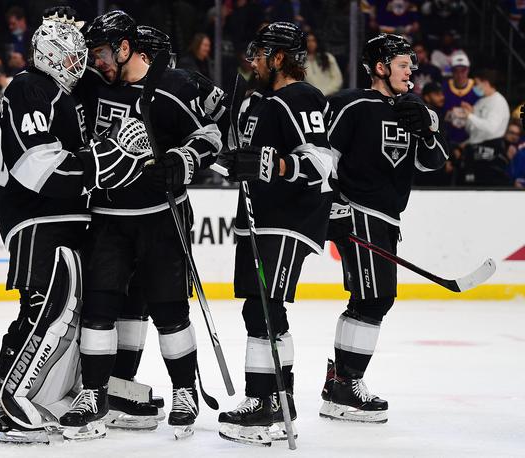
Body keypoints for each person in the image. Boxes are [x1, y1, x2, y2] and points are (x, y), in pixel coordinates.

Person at [0, 14, 152, 444]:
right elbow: (36, 167)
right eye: (74, 54)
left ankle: (48, 395)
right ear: (51, 56)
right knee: (46, 308)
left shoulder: (64, 94)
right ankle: (7, 408)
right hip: (39, 219)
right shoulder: (30, 87)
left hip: (68, 218)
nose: (81, 62)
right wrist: (106, 158)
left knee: (63, 312)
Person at [61, 10, 222, 440]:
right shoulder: (92, 86)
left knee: (170, 309)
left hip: (161, 218)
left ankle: (185, 390)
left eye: (101, 52)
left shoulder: (172, 88)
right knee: (98, 309)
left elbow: (211, 134)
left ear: (126, 47)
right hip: (108, 220)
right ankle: (95, 393)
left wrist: (184, 159)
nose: (96, 62)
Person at [319, 33, 448, 424]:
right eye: (403, 64)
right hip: (358, 212)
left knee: (369, 299)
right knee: (374, 299)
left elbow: (433, 164)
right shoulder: (350, 104)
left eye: (412, 64)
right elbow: (322, 156)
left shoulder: (414, 109)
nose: (411, 72)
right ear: (380, 67)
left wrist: (425, 127)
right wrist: (333, 203)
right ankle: (345, 386)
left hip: (388, 218)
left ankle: (340, 384)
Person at [215, 22, 333, 446]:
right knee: (258, 310)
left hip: (285, 219)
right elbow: (246, 157)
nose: (254, 61)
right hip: (258, 218)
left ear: (279, 57)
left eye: (261, 53)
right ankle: (269, 398)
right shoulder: (258, 101)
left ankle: (272, 405)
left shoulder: (300, 97)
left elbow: (320, 162)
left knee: (267, 308)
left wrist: (277, 166)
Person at [458, 68, 510, 186]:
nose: (475, 87)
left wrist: (471, 115)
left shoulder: (498, 102)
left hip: (491, 151)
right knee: (469, 185)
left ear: (485, 82)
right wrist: (469, 114)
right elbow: (472, 131)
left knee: (486, 186)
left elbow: (491, 127)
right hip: (474, 151)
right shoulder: (480, 102)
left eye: (476, 84)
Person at [303, 32, 343, 97]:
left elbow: (337, 79)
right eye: (308, 41)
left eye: (313, 41)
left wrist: (325, 92)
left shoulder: (328, 57)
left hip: (329, 96)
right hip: (311, 98)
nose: (311, 44)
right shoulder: (301, 61)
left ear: (317, 42)